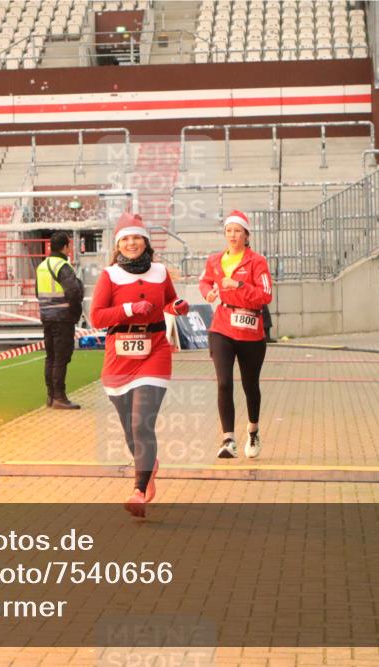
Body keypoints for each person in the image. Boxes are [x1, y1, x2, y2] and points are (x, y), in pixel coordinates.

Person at [90, 212, 188, 517]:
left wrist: (177, 307)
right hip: (118, 357)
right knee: (130, 432)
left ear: (145, 242)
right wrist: (130, 308)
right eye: (126, 239)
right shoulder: (110, 276)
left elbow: (169, 301)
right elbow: (96, 318)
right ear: (118, 245)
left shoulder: (160, 272)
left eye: (137, 238)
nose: (132, 243)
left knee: (141, 423)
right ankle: (149, 468)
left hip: (155, 351)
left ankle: (138, 489)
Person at [198, 210, 273, 460]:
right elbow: (205, 282)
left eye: (237, 231)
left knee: (250, 386)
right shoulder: (215, 260)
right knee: (223, 382)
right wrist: (208, 292)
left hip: (251, 330)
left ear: (246, 235)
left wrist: (240, 285)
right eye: (229, 231)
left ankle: (253, 430)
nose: (232, 235)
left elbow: (265, 296)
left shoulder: (257, 262)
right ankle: (228, 439)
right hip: (222, 326)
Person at [36, 231, 84, 409]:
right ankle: (60, 397)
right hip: (62, 318)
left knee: (51, 356)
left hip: (46, 317)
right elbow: (74, 292)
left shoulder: (42, 266)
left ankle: (50, 396)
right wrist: (75, 313)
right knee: (61, 358)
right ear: (66, 246)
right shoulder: (62, 266)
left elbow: (37, 292)